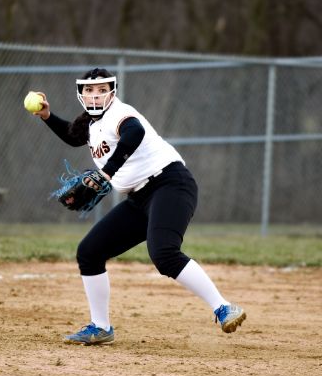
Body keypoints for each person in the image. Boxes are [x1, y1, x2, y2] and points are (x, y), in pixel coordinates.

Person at [29, 68, 246, 345]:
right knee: (89, 252)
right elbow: (73, 136)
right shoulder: (92, 125)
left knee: (164, 253)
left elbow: (135, 133)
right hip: (139, 198)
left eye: (102, 89)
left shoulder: (119, 113)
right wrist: (47, 116)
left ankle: (223, 307)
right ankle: (100, 326)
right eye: (89, 90)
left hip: (170, 184)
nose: (96, 95)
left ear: (112, 91)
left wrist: (107, 172)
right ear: (80, 94)